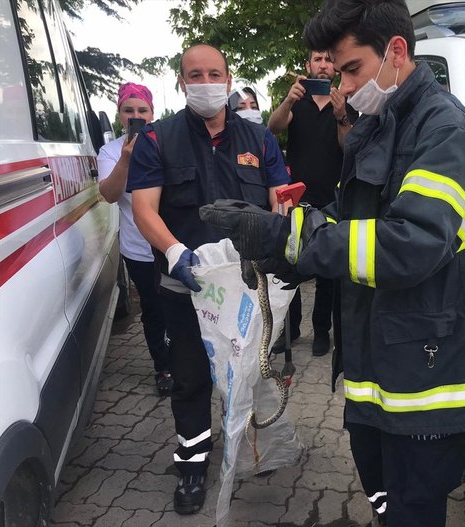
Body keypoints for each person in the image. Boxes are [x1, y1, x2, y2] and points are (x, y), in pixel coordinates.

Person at [199, 1, 465, 525]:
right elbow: (348, 217)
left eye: (351, 69)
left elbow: (411, 244)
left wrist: (286, 236)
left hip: (428, 384)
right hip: (379, 369)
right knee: (384, 502)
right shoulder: (380, 122)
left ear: (396, 51)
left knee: (413, 510)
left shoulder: (444, 130)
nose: (341, 84)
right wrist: (282, 247)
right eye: (337, 71)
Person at [127, 43, 290, 516]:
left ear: (228, 75)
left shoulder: (260, 140)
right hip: (187, 286)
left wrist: (285, 214)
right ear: (182, 82)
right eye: (194, 75)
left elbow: (280, 195)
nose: (205, 82)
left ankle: (250, 449)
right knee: (192, 377)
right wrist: (174, 251)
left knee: (248, 373)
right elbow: (143, 208)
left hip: (246, 285)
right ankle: (193, 462)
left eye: (213, 73)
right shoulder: (159, 139)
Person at [267, 49, 358, 357]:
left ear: (335, 67)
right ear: (307, 66)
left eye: (328, 60)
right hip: (297, 200)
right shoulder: (298, 102)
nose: (323, 65)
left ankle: (322, 331)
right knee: (290, 265)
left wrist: (341, 117)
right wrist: (289, 99)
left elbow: (349, 149)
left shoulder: (344, 103)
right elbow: (273, 128)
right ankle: (289, 330)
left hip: (332, 201)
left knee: (328, 273)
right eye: (317, 59)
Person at [97, 82, 173, 397]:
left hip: (170, 243)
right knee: (154, 310)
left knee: (182, 305)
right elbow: (109, 195)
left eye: (142, 110)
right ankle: (163, 367)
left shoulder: (166, 143)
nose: (135, 116)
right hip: (139, 250)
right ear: (119, 115)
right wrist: (126, 159)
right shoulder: (110, 151)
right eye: (129, 111)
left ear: (152, 114)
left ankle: (190, 360)